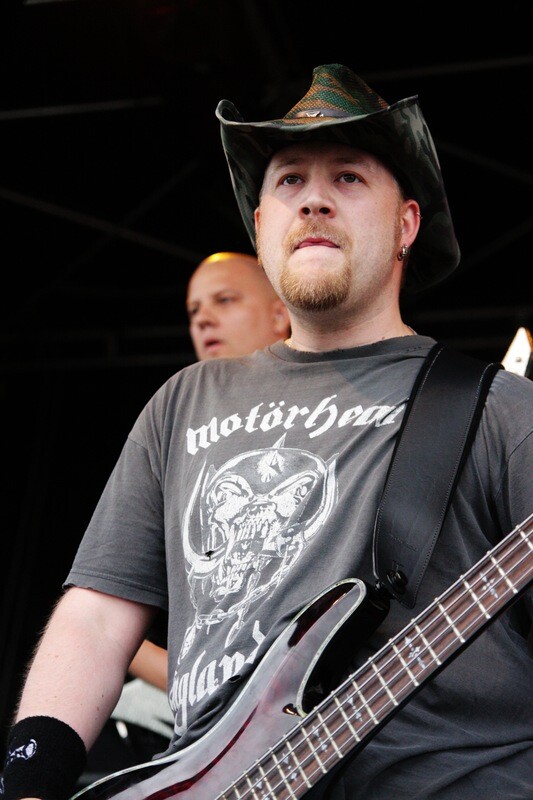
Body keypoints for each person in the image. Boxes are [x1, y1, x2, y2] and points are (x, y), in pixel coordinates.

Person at [2, 63, 532, 800]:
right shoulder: (184, 402)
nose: (313, 198)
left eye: (348, 177)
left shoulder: (496, 407)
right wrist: (30, 781)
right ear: (260, 227)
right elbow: (95, 617)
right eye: (289, 180)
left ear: (405, 224)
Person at [82, 250, 291, 776]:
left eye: (225, 300)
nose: (203, 319)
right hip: (200, 736)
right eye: (194, 309)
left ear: (281, 313)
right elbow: (104, 611)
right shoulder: (176, 429)